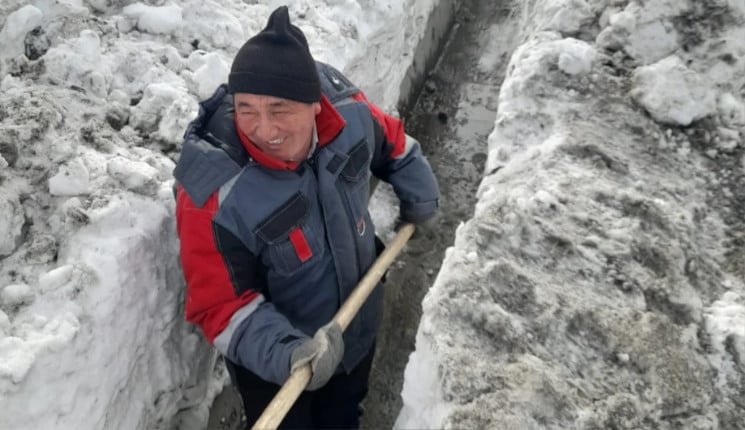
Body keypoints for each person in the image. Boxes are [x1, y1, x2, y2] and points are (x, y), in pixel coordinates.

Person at [173, 5, 439, 429]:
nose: (263, 129)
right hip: (279, 371)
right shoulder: (215, 190)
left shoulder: (349, 113)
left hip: (357, 321)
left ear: (315, 105)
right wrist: (289, 354)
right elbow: (220, 306)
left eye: (279, 109)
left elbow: (395, 145)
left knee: (345, 413)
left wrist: (420, 193)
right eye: (246, 109)